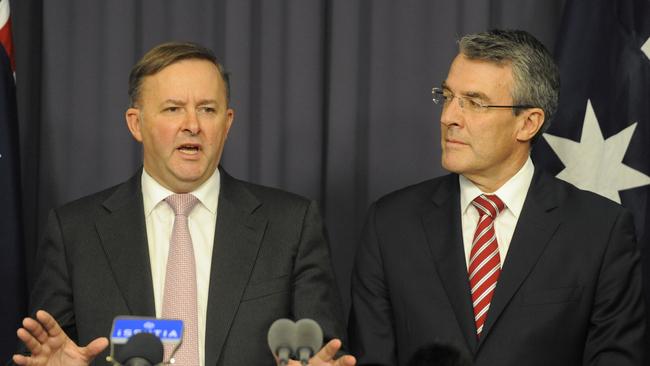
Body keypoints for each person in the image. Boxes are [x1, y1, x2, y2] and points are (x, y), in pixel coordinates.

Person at [13, 42, 356, 366]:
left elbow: (324, 351)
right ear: (136, 123)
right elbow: (49, 351)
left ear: (227, 123)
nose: (192, 125)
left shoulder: (291, 225)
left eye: (207, 110)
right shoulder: (74, 232)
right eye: (173, 109)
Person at [349, 29, 645, 365]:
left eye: (474, 103)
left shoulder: (600, 231)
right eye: (446, 96)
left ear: (528, 123)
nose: (448, 118)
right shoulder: (390, 224)